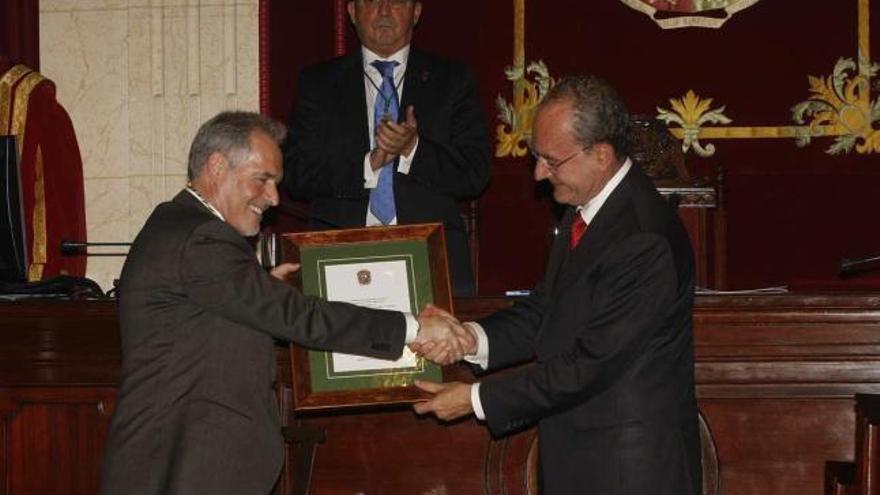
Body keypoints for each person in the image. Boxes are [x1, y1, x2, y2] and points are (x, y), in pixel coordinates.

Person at [100, 111, 465, 495]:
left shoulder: (181, 227)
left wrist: (259, 288)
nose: (273, 198)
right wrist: (414, 328)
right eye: (263, 180)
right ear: (217, 167)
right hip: (183, 467)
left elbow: (216, 317)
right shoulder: (202, 238)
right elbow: (299, 316)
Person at [411, 76, 702, 495]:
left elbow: (590, 365)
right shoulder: (587, 208)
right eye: (536, 156)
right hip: (583, 460)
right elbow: (548, 310)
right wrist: (469, 338)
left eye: (551, 160)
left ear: (601, 154)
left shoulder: (644, 238)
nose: (538, 173)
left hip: (628, 471)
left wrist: (475, 399)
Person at [283, 0, 491, 296]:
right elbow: (297, 174)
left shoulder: (453, 80)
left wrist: (413, 148)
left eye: (395, 1)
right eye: (371, 1)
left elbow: (475, 173)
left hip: (429, 251)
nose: (383, 10)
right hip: (341, 251)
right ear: (352, 12)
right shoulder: (318, 83)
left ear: (416, 12)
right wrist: (368, 164)